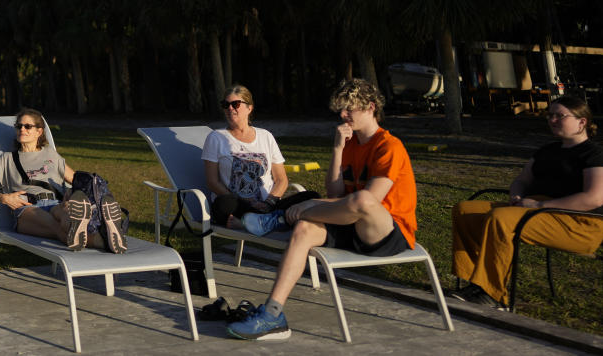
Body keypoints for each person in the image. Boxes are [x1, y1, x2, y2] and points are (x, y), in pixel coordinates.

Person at [226, 77, 417, 341]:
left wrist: (307, 204)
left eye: (350, 108)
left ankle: (279, 217)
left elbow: (369, 201)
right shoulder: (349, 143)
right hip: (351, 223)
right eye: (341, 108)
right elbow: (336, 194)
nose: (342, 114)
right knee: (304, 229)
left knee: (361, 200)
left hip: (387, 231)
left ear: (371, 107)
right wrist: (338, 149)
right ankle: (273, 315)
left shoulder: (389, 146)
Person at [450, 95, 603, 309]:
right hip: (536, 210)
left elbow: (593, 198)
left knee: (501, 218)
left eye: (560, 116)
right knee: (465, 210)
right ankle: (474, 283)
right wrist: (517, 196)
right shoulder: (547, 150)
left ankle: (493, 294)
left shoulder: (594, 154)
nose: (552, 120)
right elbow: (522, 179)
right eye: (550, 116)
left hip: (577, 222)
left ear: (582, 122)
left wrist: (539, 206)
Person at [0, 108, 127, 253]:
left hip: (55, 203)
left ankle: (102, 237)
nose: (22, 129)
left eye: (28, 126)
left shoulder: (50, 155)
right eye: (19, 126)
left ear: (39, 132)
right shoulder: (6, 159)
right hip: (27, 208)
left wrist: (71, 193)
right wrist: (2, 197)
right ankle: (104, 238)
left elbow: (75, 180)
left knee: (68, 218)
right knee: (57, 228)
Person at [203, 85, 293, 228]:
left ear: (249, 108)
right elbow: (212, 182)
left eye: (235, 104)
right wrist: (249, 202)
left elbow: (281, 179)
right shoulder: (216, 138)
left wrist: (269, 202)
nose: (230, 108)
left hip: (268, 204)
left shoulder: (266, 136)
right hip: (237, 204)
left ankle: (252, 222)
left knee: (311, 196)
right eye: (226, 105)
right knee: (223, 204)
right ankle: (269, 220)